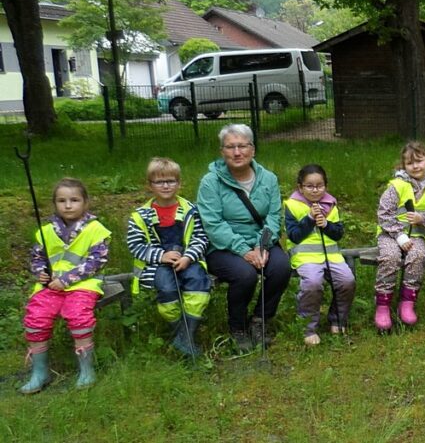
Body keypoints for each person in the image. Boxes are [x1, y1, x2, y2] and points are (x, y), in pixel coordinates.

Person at [197, 124, 290, 352]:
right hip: (223, 247)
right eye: (230, 147)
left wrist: (262, 246)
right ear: (222, 152)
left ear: (253, 150)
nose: (237, 152)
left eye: (242, 146)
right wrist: (243, 251)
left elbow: (273, 217)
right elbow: (213, 224)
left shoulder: (268, 179)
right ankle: (237, 328)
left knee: (281, 267)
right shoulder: (210, 182)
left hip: (261, 241)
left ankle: (260, 320)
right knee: (244, 274)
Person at [21, 178, 111, 394]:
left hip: (82, 284)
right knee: (36, 317)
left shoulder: (96, 229)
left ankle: (87, 370)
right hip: (50, 286)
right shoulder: (46, 231)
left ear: (85, 203)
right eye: (62, 200)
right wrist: (40, 272)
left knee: (78, 315)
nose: (68, 205)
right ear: (55, 204)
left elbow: (96, 261)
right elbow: (37, 257)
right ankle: (40, 372)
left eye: (74, 200)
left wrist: (67, 279)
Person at [127, 158, 211, 357]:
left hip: (187, 260)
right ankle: (181, 334)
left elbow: (201, 237)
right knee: (166, 289)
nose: (165, 185)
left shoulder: (191, 210)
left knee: (198, 283)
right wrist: (161, 256)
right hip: (157, 265)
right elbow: (135, 245)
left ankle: (185, 337)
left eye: (171, 181)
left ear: (179, 183)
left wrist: (188, 257)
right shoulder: (140, 216)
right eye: (159, 182)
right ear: (150, 185)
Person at [284, 164, 356, 346]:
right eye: (310, 186)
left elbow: (338, 233)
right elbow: (294, 235)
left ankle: (338, 320)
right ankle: (308, 328)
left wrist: (326, 225)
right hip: (305, 257)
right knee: (313, 283)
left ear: (326, 186)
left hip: (332, 256)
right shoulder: (292, 206)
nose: (315, 190)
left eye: (320, 185)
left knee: (347, 281)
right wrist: (308, 219)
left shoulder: (331, 204)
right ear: (300, 187)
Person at [374, 141, 425, 332]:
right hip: (390, 234)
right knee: (390, 257)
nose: (416, 166)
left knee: (418, 256)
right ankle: (383, 304)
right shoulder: (397, 185)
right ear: (404, 166)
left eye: (419, 161)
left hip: (416, 236)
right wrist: (399, 235)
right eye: (410, 163)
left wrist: (423, 218)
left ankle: (407, 302)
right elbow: (383, 214)